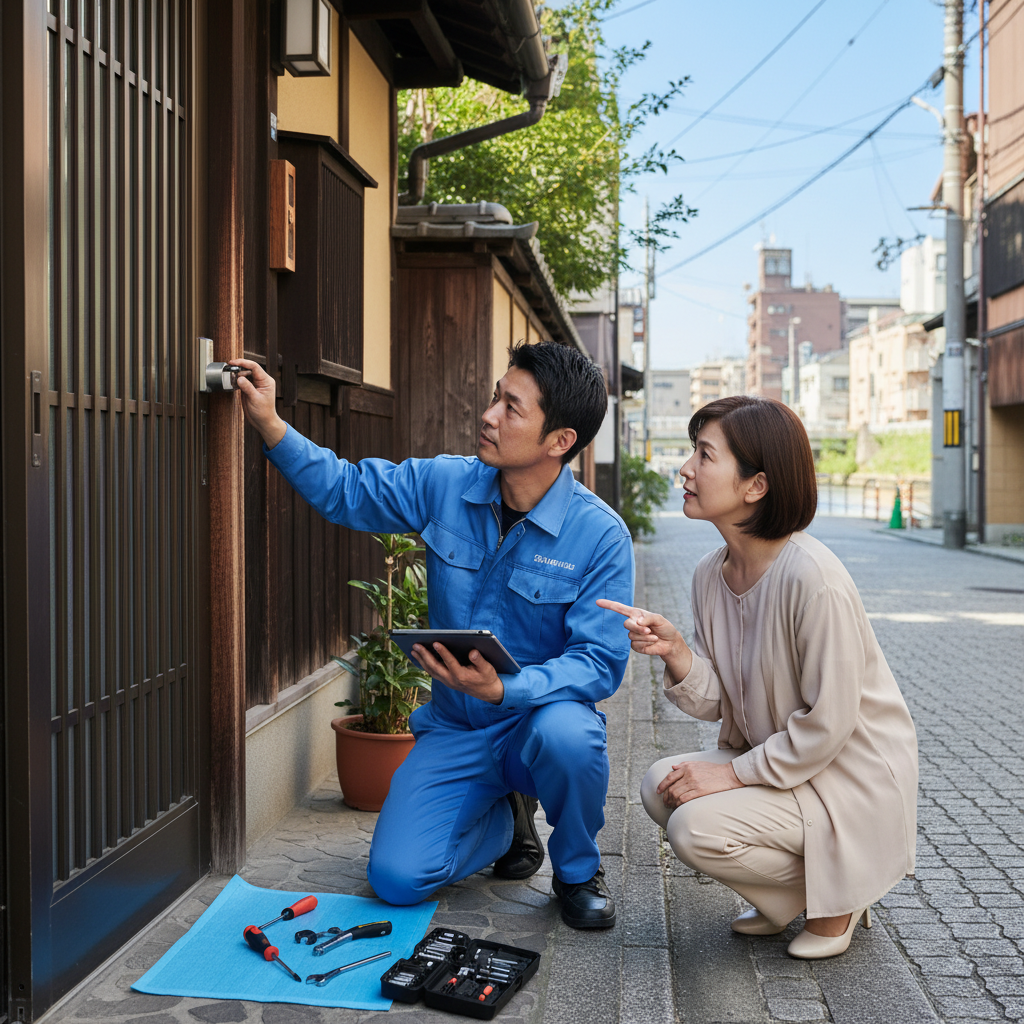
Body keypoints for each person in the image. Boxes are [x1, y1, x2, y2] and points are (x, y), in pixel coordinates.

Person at [234, 341, 633, 928]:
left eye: (512, 408)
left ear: (560, 441)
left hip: (535, 725)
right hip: (455, 728)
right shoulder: (446, 484)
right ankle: (500, 828)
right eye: (496, 396)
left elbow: (600, 663)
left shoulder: (600, 536)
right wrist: (269, 422)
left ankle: (576, 872)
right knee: (396, 881)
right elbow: (346, 490)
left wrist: (508, 690)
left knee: (571, 736)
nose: (490, 414)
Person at [599, 395, 918, 959]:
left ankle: (839, 899)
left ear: (757, 486)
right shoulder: (709, 573)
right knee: (660, 786)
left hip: (848, 776)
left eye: (704, 455)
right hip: (787, 762)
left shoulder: (813, 578)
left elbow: (830, 723)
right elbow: (725, 700)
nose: (686, 470)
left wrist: (734, 775)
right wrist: (676, 651)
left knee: (693, 826)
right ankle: (795, 895)